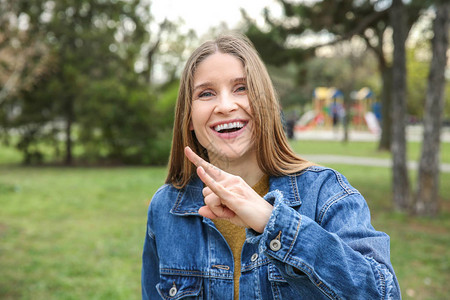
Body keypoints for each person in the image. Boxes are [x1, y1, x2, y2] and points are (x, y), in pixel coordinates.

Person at [141, 33, 401, 299]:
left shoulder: (327, 194)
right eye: (206, 93)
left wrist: (272, 221)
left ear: (265, 102)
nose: (226, 106)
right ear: (188, 118)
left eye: (241, 88)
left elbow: (383, 293)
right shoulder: (165, 208)